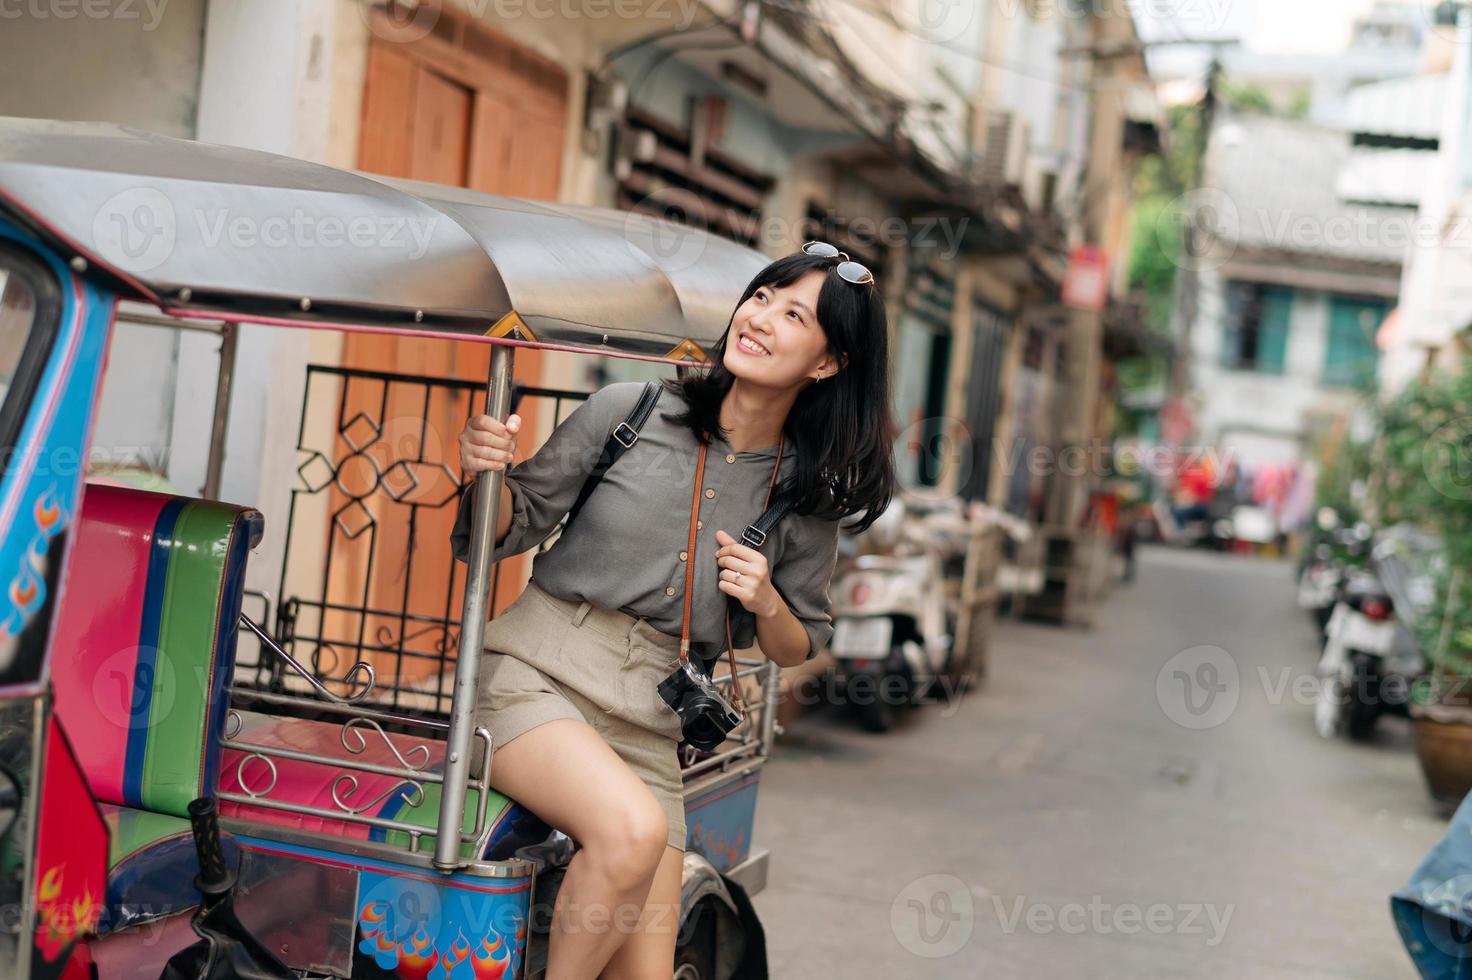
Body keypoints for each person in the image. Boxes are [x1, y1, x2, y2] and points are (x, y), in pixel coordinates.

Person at [450, 243, 895, 978]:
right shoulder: (629, 412)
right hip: (534, 677)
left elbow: (798, 644)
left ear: (827, 363)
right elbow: (507, 529)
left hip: (650, 722)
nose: (760, 319)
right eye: (761, 298)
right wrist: (486, 475)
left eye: (794, 315)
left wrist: (764, 598)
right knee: (632, 832)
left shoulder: (804, 495)